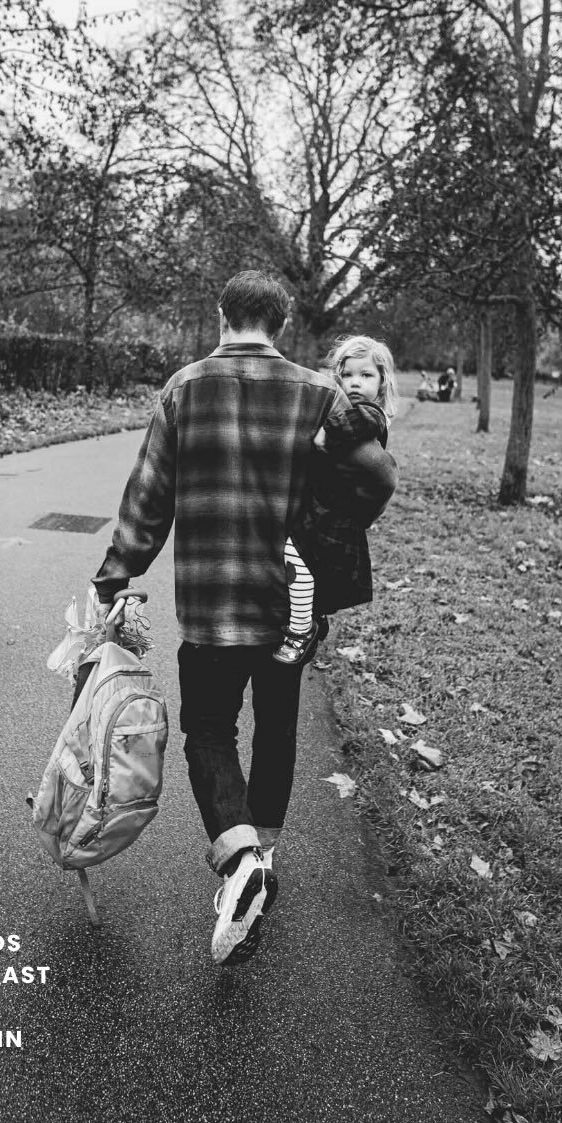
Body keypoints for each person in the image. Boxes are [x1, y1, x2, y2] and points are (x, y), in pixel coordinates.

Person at [91, 272, 397, 965]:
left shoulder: (185, 387)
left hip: (211, 600)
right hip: (292, 600)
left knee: (208, 730)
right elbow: (378, 477)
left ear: (222, 313)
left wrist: (116, 575)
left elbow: (148, 497)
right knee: (278, 730)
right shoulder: (320, 397)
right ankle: (263, 854)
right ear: (282, 324)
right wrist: (338, 530)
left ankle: (239, 861)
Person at [275, 334, 398, 665]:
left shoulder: (370, 414)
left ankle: (301, 630)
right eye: (348, 375)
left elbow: (358, 422)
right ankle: (313, 616)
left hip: (334, 513)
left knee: (294, 556)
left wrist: (326, 431)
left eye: (366, 375)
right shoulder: (344, 407)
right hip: (320, 506)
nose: (356, 383)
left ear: (382, 382)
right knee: (309, 568)